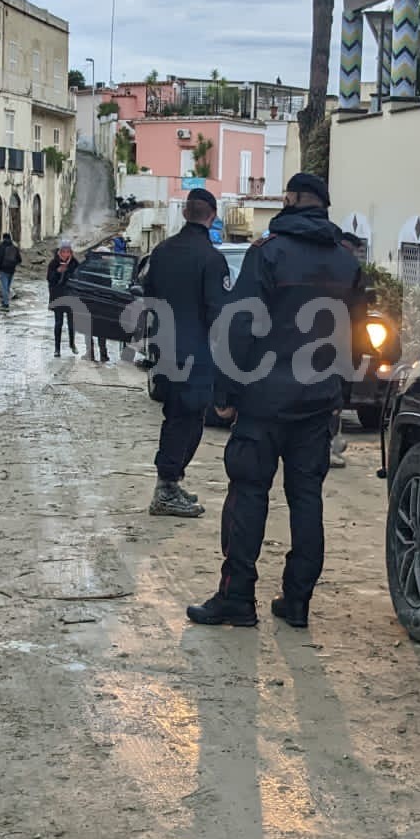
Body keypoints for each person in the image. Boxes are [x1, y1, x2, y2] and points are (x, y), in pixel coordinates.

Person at [188, 173, 367, 631]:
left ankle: (238, 599)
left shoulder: (267, 254)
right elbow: (357, 339)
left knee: (248, 495)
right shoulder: (348, 265)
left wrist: (226, 395)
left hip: (263, 402)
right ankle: (298, 601)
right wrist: (338, 398)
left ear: (289, 202)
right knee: (307, 500)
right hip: (316, 404)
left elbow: (239, 326)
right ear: (324, 208)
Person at [142, 188, 229, 519]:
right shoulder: (211, 259)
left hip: (164, 351)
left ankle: (170, 483)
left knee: (174, 418)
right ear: (212, 216)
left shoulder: (162, 252)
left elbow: (147, 298)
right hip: (196, 355)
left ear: (184, 214)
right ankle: (165, 488)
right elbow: (217, 315)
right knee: (188, 423)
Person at [329, 230, 369, 471]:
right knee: (335, 398)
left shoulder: (324, 262)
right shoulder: (350, 268)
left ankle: (332, 442)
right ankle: (330, 445)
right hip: (341, 345)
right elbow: (359, 315)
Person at [46, 239, 80, 356]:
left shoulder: (75, 263)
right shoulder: (53, 263)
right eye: (63, 252)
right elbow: (49, 279)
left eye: (68, 252)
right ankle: (57, 349)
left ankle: (72, 343)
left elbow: (79, 279)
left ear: (71, 252)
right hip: (58, 297)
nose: (65, 254)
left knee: (71, 323)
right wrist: (57, 272)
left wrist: (69, 273)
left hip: (71, 297)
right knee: (58, 323)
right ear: (60, 252)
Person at [0, 232, 21, 312]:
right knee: (7, 287)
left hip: (3, 270)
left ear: (3, 238)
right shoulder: (14, 247)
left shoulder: (0, 247)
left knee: (4, 287)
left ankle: (6, 303)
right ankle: (5, 300)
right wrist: (14, 264)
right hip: (11, 270)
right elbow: (19, 260)